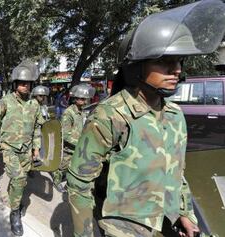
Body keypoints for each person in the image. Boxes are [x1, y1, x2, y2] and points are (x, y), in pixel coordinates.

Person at [67, 1, 225, 236]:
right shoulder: (111, 115)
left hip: (165, 222)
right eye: (164, 61)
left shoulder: (174, 115)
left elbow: (176, 171)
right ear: (136, 67)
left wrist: (185, 214)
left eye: (179, 61)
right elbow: (79, 183)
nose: (177, 69)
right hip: (123, 227)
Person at [0, 61, 43, 236]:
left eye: (28, 83)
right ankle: (14, 212)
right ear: (15, 84)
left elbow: (37, 128)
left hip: (26, 150)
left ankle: (14, 200)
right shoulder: (5, 102)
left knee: (22, 180)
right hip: (9, 149)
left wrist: (36, 149)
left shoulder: (34, 105)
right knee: (18, 180)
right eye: (22, 83)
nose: (25, 86)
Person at [52, 84, 94, 193]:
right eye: (82, 99)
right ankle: (56, 182)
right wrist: (80, 143)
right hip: (68, 148)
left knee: (74, 168)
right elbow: (65, 135)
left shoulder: (81, 111)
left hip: (76, 147)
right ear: (76, 99)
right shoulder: (68, 113)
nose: (85, 101)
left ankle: (69, 183)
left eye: (85, 99)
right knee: (62, 168)